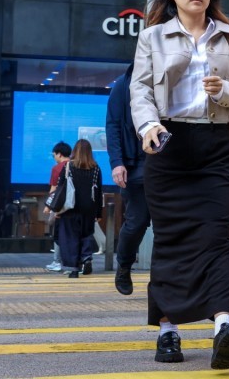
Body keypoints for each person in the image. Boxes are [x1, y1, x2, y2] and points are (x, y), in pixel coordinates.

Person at [130, 0, 229, 368]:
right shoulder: (153, 37)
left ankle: (224, 325)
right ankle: (168, 331)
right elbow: (141, 90)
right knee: (171, 239)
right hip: (167, 143)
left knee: (217, 235)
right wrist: (148, 126)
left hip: (214, 145)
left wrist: (223, 91)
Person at [106, 64, 150, 295]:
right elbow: (112, 126)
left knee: (169, 225)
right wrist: (117, 163)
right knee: (137, 223)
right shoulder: (123, 85)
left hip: (166, 164)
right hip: (136, 165)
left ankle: (166, 278)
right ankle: (124, 266)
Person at [53, 139, 103, 278]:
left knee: (70, 237)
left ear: (75, 151)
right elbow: (99, 192)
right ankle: (86, 257)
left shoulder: (68, 166)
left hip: (70, 207)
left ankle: (73, 268)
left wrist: (57, 210)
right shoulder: (96, 168)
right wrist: (98, 212)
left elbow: (60, 189)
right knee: (86, 234)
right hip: (89, 208)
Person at [44, 142, 72, 272]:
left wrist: (49, 206)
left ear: (59, 154)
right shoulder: (75, 165)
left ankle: (57, 261)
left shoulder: (57, 168)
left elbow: (53, 189)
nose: (54, 157)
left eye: (54, 154)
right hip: (73, 204)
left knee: (57, 233)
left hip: (59, 205)